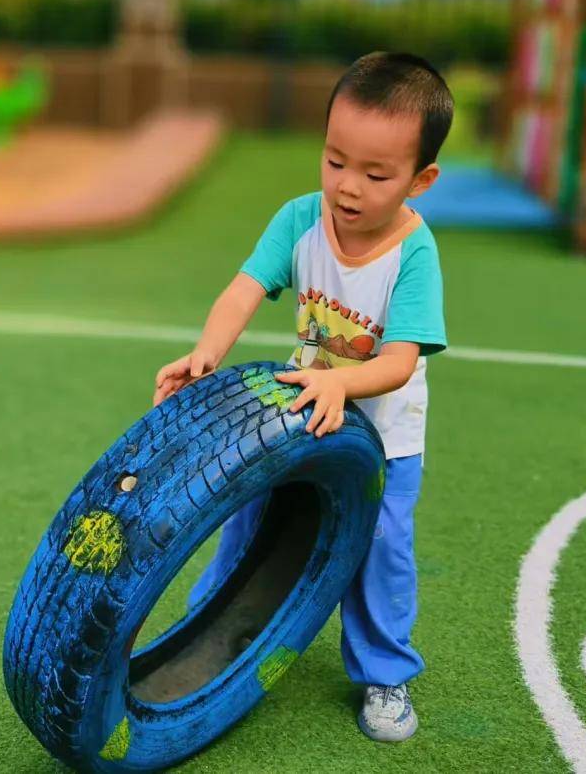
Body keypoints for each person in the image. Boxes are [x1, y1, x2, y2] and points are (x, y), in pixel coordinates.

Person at [152, 51, 451, 742]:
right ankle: (207, 640)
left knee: (379, 551)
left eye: (376, 175)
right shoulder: (299, 220)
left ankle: (384, 674)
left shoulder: (414, 253)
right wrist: (206, 354)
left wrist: (338, 381)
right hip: (297, 422)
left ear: (420, 179)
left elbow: (400, 361)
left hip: (383, 439)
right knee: (246, 524)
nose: (347, 187)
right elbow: (245, 287)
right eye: (335, 161)